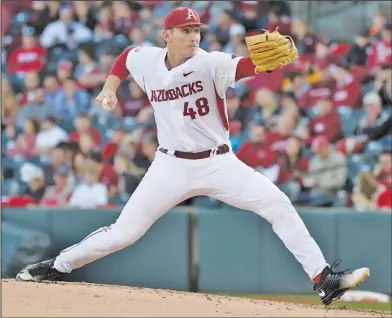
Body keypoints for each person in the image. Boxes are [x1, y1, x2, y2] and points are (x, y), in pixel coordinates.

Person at [16, 7, 369, 306]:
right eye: (186, 30)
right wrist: (110, 88)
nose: (194, 36)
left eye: (197, 29)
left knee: (277, 203)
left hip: (218, 162)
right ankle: (58, 266)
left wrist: (265, 66)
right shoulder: (149, 60)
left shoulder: (210, 63)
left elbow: (247, 67)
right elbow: (125, 59)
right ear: (166, 34)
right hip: (170, 164)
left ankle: (324, 279)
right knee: (124, 233)